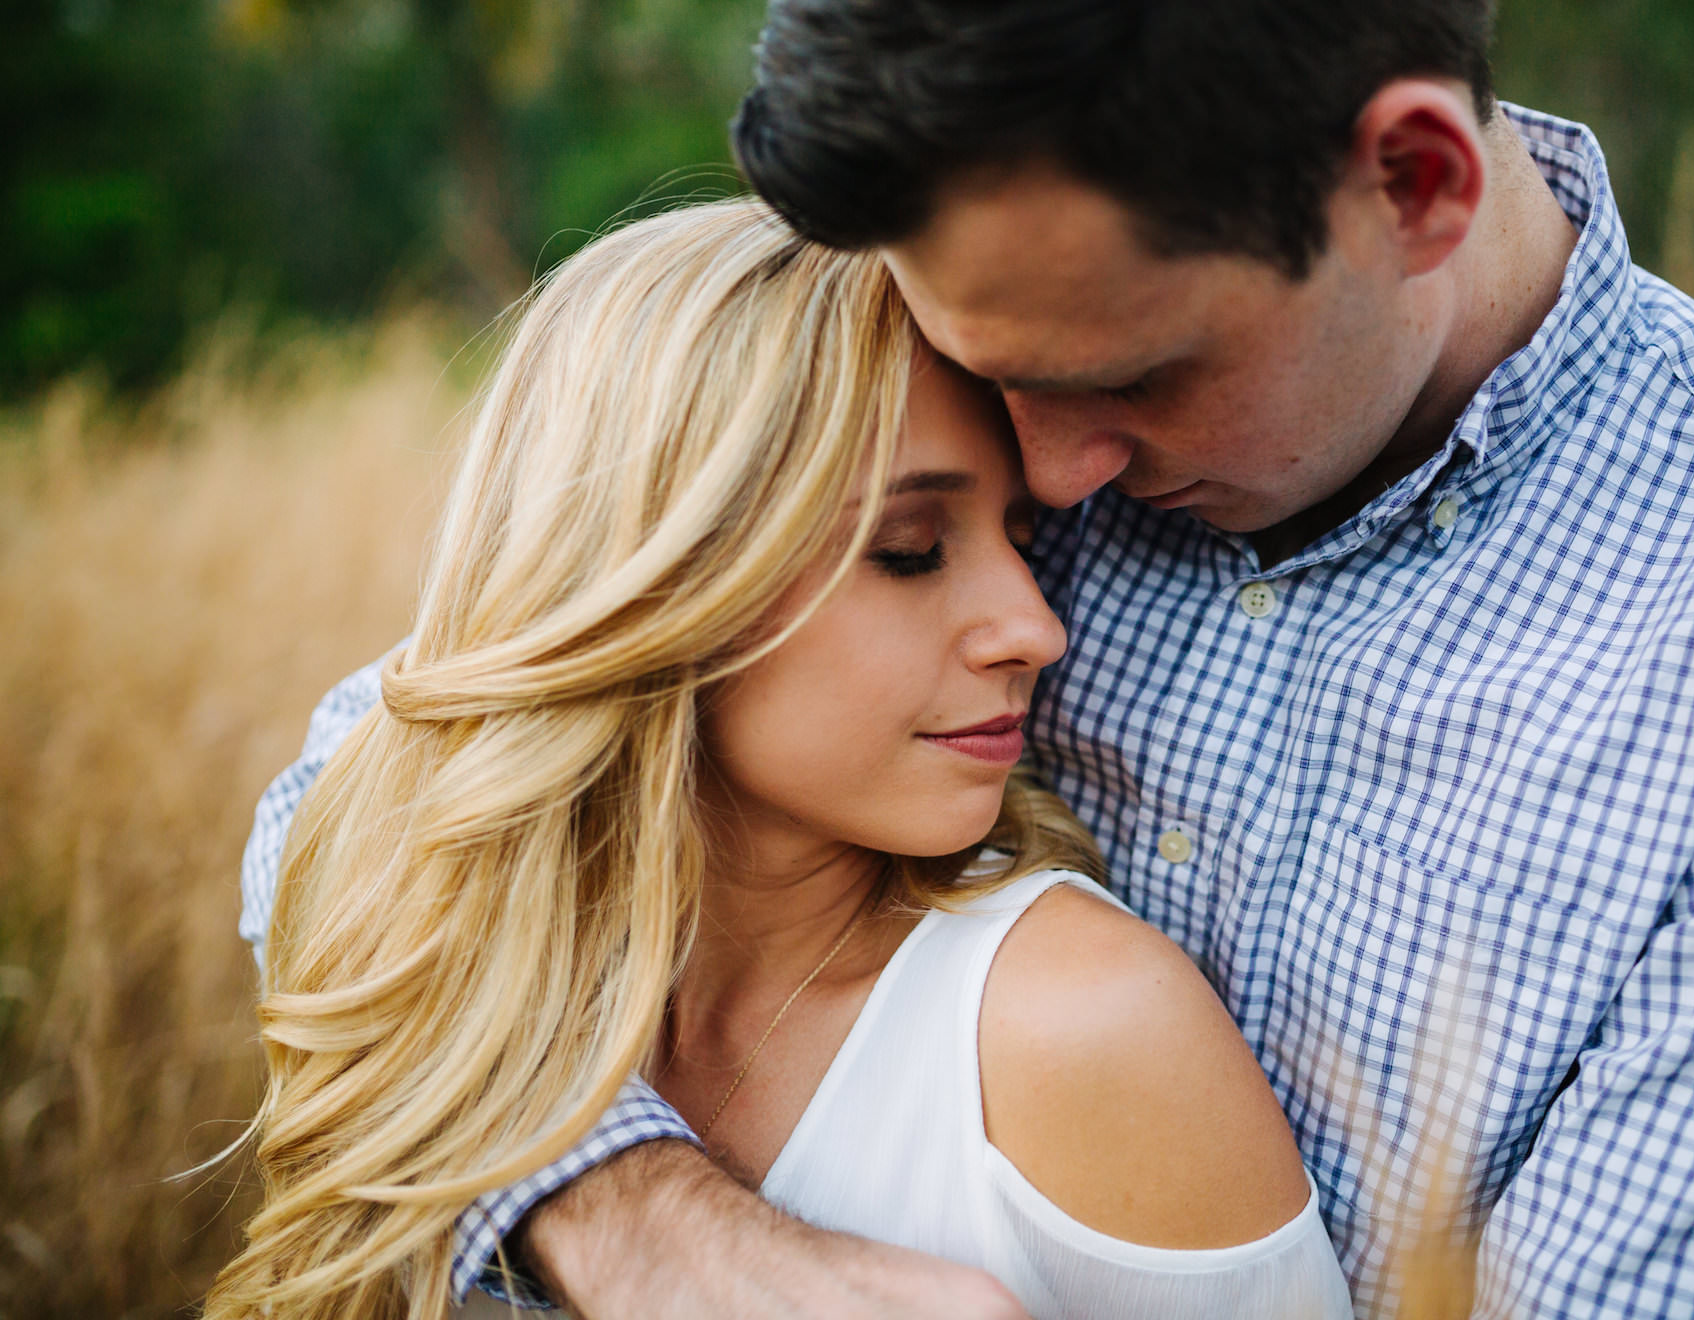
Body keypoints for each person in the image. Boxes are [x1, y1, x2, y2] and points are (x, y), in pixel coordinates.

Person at [243, 1, 1694, 1316]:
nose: (1058, 486)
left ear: (1417, 183)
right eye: (985, 369)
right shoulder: (967, 396)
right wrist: (637, 1220)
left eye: (1130, 378)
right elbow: (376, 780)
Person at [210, 201, 1354, 1319]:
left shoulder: (1078, 1031)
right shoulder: (461, 956)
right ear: (658, 587)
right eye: (910, 550)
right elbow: (340, 792)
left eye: (1022, 540)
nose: (1035, 629)